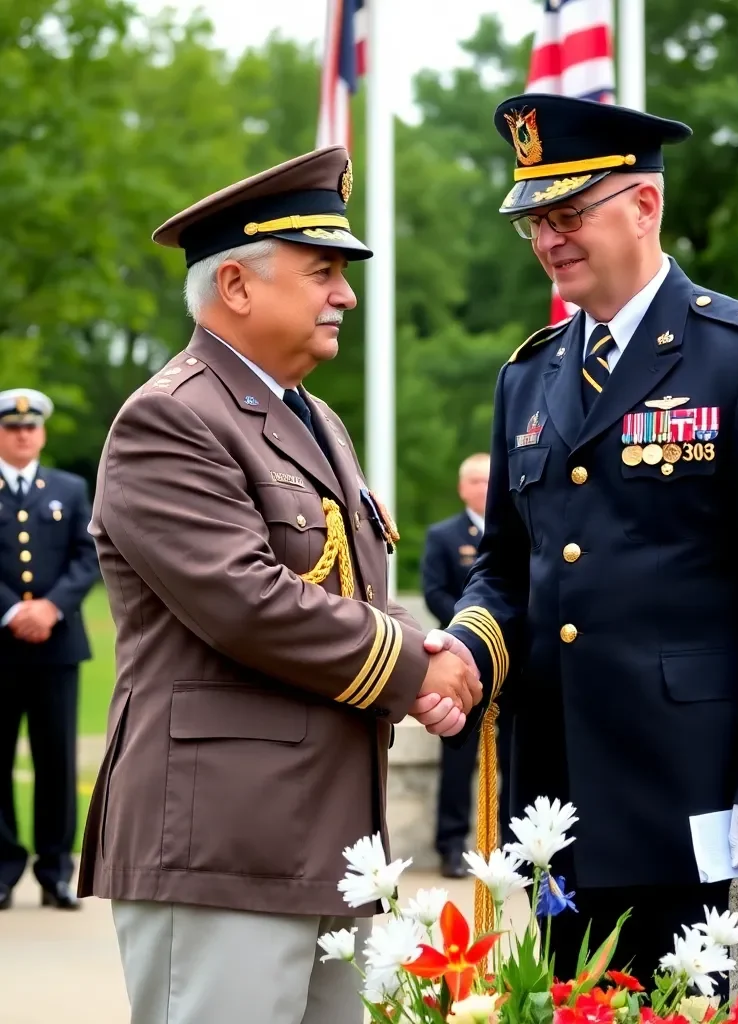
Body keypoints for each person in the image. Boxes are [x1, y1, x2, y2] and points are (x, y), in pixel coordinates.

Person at [428, 94, 738, 983]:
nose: (550, 238)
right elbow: (509, 565)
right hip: (563, 806)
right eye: (534, 222)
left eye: (570, 213)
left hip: (703, 798)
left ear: (646, 206)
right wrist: (468, 648)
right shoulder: (529, 374)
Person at [77, 147, 481, 1024]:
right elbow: (248, 603)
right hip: (222, 840)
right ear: (237, 287)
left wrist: (436, 649)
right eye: (324, 272)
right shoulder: (171, 417)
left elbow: (351, 590)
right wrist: (419, 671)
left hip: (324, 840)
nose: (346, 294)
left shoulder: (313, 417)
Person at [0, 388, 100, 912]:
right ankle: (2, 870)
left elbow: (89, 555)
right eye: (13, 427)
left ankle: (57, 872)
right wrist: (14, 610)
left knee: (56, 762)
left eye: (31, 427)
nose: (22, 434)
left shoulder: (69, 487)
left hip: (57, 646)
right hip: (1, 643)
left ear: (41, 432)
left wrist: (50, 608)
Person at [421, 453, 513, 877]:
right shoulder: (443, 535)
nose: (483, 488)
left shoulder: (519, 531)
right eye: (476, 481)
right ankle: (452, 846)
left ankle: (514, 846)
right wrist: (467, 633)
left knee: (513, 757)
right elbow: (434, 591)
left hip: (512, 662)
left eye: (490, 480)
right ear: (463, 488)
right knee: (458, 762)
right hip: (457, 661)